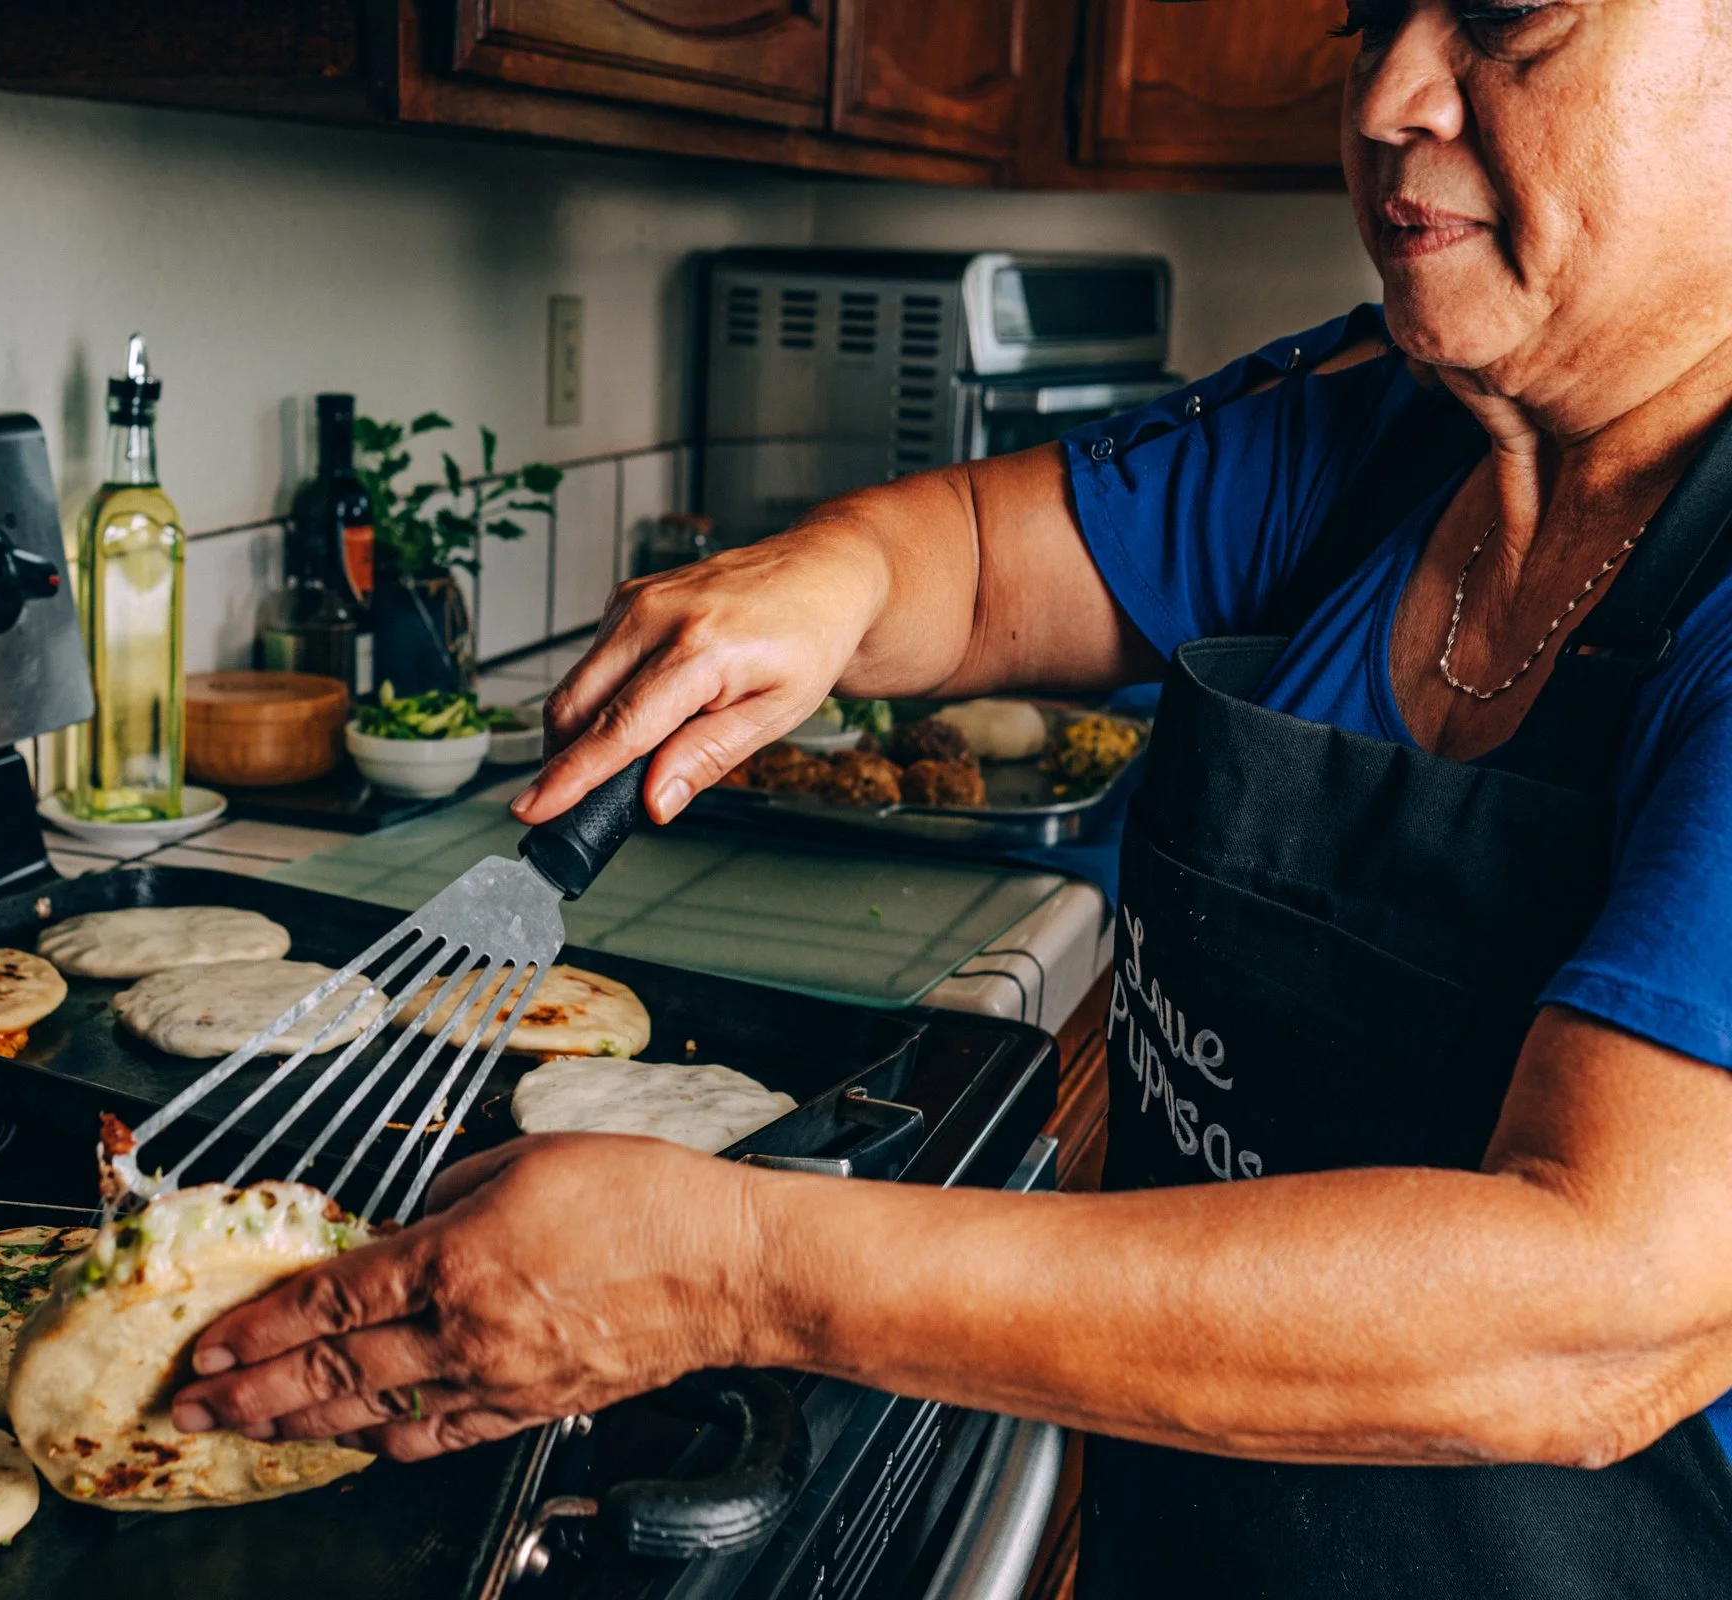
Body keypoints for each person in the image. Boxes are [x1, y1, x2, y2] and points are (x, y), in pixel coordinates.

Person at [176, 2, 1732, 1590]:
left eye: (1511, 14)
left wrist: (735, 1270)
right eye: (1362, 17)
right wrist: (823, 578)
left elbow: (1597, 1314)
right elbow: (981, 563)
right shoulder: (1381, 437)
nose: (1390, 97)